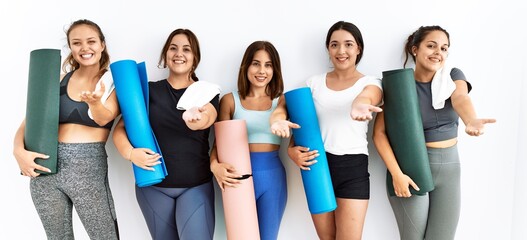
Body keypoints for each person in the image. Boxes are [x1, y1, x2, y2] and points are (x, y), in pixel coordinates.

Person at [372, 25, 496, 240]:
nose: (438, 52)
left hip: (450, 169)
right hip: (412, 169)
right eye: (431, 46)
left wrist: (470, 119)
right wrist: (397, 174)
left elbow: (460, 98)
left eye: (444, 48)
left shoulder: (452, 77)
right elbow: (379, 134)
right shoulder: (400, 85)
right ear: (415, 49)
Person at [13, 19, 120, 239]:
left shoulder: (113, 82)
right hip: (46, 166)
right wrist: (18, 151)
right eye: (77, 43)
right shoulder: (58, 80)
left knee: (105, 235)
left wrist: (95, 103)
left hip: (87, 166)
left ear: (102, 44)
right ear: (70, 47)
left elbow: (105, 118)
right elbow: (28, 122)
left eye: (91, 41)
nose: (84, 48)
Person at [112, 28, 218, 240]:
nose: (179, 53)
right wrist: (131, 154)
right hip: (153, 187)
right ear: (165, 55)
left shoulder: (206, 92)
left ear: (195, 58)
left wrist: (196, 119)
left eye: (186, 49)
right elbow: (120, 129)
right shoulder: (148, 91)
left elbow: (209, 117)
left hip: (195, 185)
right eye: (173, 48)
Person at [287, 21, 383, 240]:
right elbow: (301, 124)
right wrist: (291, 150)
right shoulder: (313, 83)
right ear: (328, 49)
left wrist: (360, 103)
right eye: (334, 45)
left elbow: (369, 96)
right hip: (317, 164)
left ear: (358, 48)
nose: (341, 51)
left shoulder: (371, 82)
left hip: (353, 168)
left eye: (348, 44)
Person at [210, 40, 297, 240]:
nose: (262, 70)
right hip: (236, 177)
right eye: (256, 63)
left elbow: (297, 135)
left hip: (272, 179)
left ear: (275, 69)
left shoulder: (281, 100)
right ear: (246, 66)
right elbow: (217, 145)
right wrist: (214, 166)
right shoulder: (229, 100)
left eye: (268, 65)